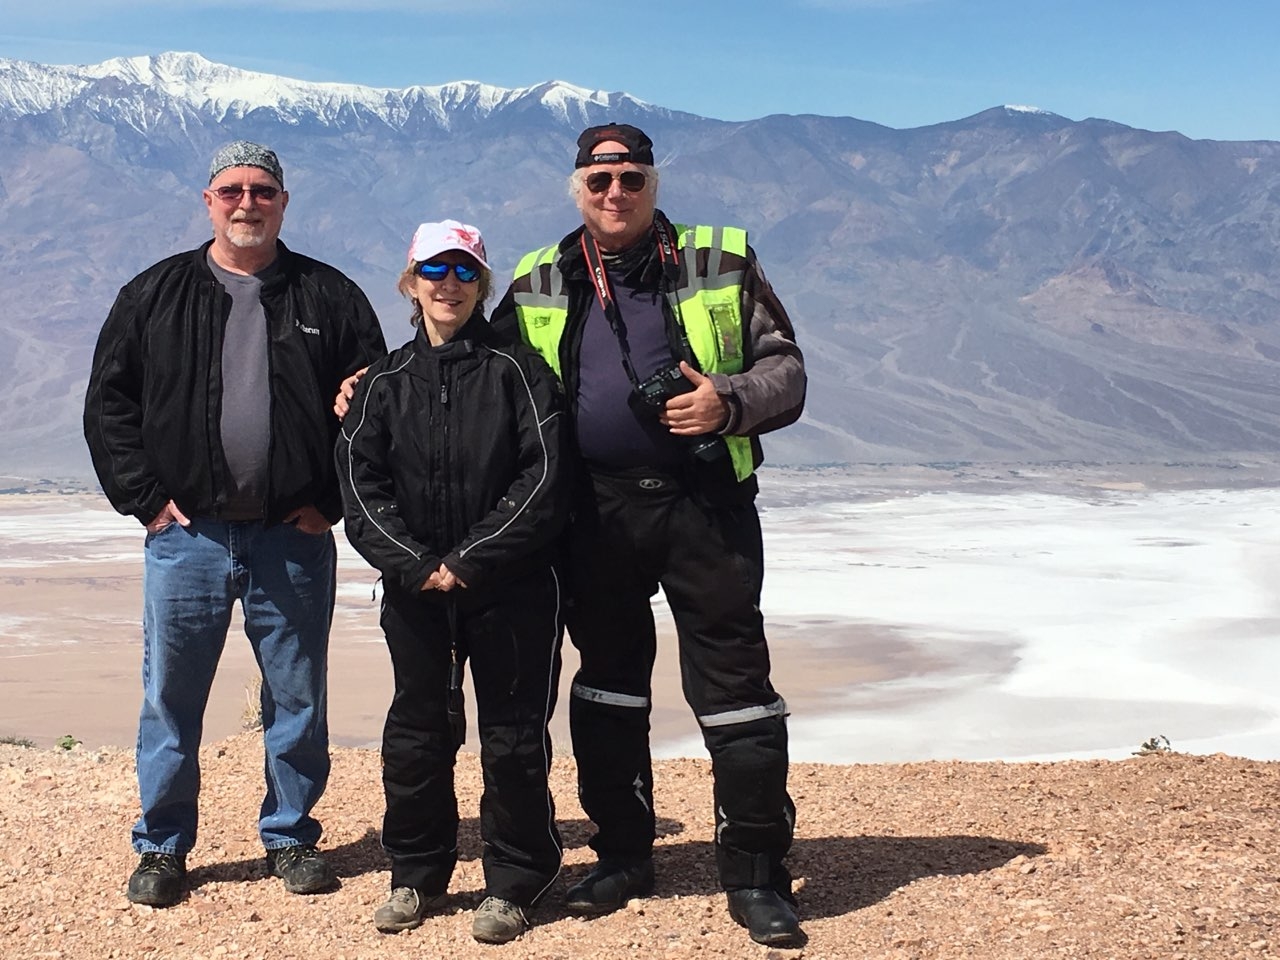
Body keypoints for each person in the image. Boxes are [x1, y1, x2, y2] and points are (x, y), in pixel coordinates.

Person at [489, 123, 808, 947]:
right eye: (599, 181)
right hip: (593, 514)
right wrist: (372, 388)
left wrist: (727, 400)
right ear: (577, 189)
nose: (615, 194)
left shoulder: (719, 259)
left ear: (654, 184)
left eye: (631, 178)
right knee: (608, 687)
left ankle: (756, 873)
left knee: (736, 689)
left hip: (707, 506)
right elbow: (479, 378)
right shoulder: (539, 278)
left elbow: (789, 370)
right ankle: (624, 855)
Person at [83, 140, 387, 908]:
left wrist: (335, 503)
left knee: (297, 694)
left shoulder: (330, 296)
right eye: (231, 191)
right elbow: (108, 404)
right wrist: (145, 498)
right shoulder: (154, 294)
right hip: (187, 538)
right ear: (207, 201)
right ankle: (162, 846)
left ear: (284, 201)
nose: (246, 203)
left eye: (262, 190)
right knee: (171, 699)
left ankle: (289, 837)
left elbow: (378, 406)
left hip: (295, 535)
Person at [336, 220, 567, 945]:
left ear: (483, 285)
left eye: (465, 271)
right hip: (414, 591)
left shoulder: (521, 373)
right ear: (410, 282)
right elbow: (358, 482)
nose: (448, 283)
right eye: (434, 269)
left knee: (511, 736)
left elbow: (545, 476)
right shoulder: (383, 382)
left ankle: (515, 879)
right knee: (417, 732)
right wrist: (414, 562)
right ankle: (414, 872)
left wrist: (470, 558)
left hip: (511, 588)